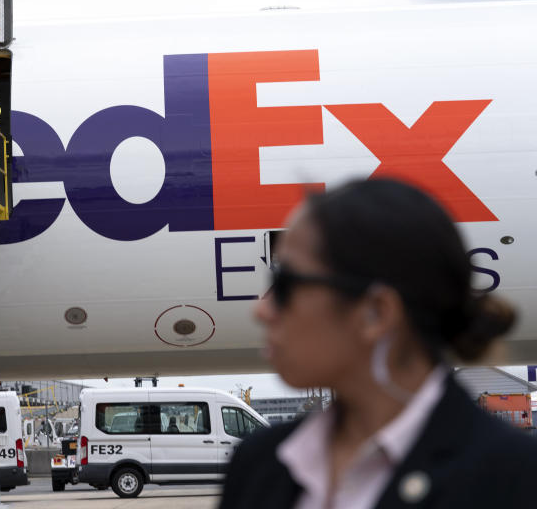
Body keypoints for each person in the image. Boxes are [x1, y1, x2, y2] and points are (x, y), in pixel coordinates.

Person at [220, 178, 537, 509]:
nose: (262, 309)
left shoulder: (512, 480)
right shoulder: (257, 463)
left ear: (376, 313)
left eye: (284, 283)